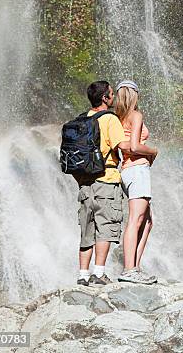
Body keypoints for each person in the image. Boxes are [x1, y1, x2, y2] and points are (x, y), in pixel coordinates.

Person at [75, 81, 130, 286]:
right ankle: (98, 273)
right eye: (112, 94)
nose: (114, 97)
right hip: (106, 180)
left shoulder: (82, 120)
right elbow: (121, 146)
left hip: (85, 183)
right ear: (105, 98)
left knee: (86, 229)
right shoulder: (109, 119)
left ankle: (82, 275)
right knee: (105, 227)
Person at [114, 80, 158, 284]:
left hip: (126, 172)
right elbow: (134, 147)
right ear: (134, 95)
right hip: (137, 170)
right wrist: (153, 151)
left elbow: (121, 145)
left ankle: (135, 267)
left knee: (147, 221)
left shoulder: (118, 118)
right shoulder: (136, 115)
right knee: (136, 220)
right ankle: (129, 269)